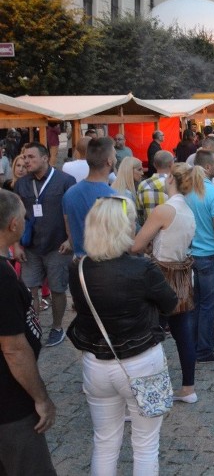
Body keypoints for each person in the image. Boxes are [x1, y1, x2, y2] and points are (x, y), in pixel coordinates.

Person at [67, 197, 178, 475]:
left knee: (104, 442)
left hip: (97, 364)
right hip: (141, 361)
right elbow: (170, 304)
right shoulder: (142, 268)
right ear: (123, 228)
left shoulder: (78, 268)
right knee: (145, 444)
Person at [129, 162, 201, 404]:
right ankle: (188, 387)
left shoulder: (164, 210)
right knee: (183, 334)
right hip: (181, 277)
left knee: (150, 335)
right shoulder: (188, 211)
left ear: (170, 178)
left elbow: (137, 246)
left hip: (159, 276)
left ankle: (150, 392)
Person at [0, 189, 58, 476]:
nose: (25, 221)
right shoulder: (2, 279)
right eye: (23, 216)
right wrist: (41, 397)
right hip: (10, 406)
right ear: (13, 225)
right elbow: (13, 348)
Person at [13, 143, 77, 347]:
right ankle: (35, 326)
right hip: (30, 246)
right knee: (30, 288)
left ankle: (57, 327)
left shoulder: (66, 181)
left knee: (58, 289)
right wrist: (16, 244)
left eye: (31, 157)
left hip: (58, 246)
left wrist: (71, 239)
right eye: (24, 157)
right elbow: (16, 215)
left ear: (45, 158)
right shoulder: (22, 184)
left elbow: (73, 213)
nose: (25, 161)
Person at [185, 149, 214, 364]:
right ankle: (204, 350)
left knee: (193, 304)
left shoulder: (186, 191)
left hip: (190, 254)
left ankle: (192, 345)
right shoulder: (213, 193)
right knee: (208, 306)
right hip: (210, 255)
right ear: (208, 167)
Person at [63, 137, 118, 258]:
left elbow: (69, 231)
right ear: (109, 161)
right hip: (106, 262)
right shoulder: (115, 196)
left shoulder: (69, 194)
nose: (116, 159)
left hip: (79, 262)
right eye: (114, 155)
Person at [136, 150, 174, 227]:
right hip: (169, 232)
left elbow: (139, 214)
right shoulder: (175, 185)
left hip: (148, 233)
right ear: (171, 165)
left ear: (154, 165)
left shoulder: (142, 185)